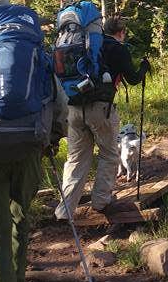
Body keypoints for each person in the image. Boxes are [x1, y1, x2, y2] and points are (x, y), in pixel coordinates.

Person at [0, 0, 68, 282]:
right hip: (29, 148)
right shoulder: (34, 47)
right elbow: (58, 101)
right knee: (20, 223)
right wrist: (52, 139)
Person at [55, 14, 150, 222]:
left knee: (77, 158)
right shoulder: (118, 48)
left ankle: (65, 210)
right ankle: (101, 201)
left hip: (74, 108)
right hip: (100, 109)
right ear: (121, 32)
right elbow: (133, 79)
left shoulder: (84, 45)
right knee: (108, 154)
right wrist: (144, 67)